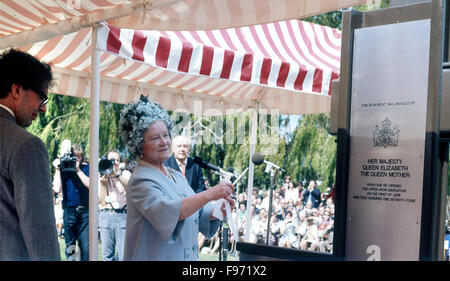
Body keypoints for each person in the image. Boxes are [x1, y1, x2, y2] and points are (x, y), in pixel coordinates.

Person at [119, 96, 234, 261]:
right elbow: (171, 212)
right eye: (155, 138)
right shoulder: (140, 180)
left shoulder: (174, 175)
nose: (164, 142)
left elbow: (196, 209)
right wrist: (211, 194)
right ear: (139, 144)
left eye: (166, 135)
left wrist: (217, 210)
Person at [0, 49, 60, 261]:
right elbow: (40, 234)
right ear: (16, 90)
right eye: (41, 98)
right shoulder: (26, 146)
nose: (43, 109)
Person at [53, 141, 90, 261]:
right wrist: (57, 170)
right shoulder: (64, 170)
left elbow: (91, 185)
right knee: (71, 246)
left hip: (85, 212)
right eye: (75, 157)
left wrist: (78, 170)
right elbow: (57, 188)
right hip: (69, 211)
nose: (77, 159)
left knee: (85, 246)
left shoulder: (86, 167)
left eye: (79, 156)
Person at [98, 150, 131, 261]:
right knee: (107, 256)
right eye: (112, 160)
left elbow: (130, 187)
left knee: (123, 256)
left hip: (122, 215)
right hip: (106, 215)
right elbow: (101, 201)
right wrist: (103, 183)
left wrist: (117, 175)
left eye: (117, 160)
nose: (115, 163)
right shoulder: (101, 174)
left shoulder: (125, 174)